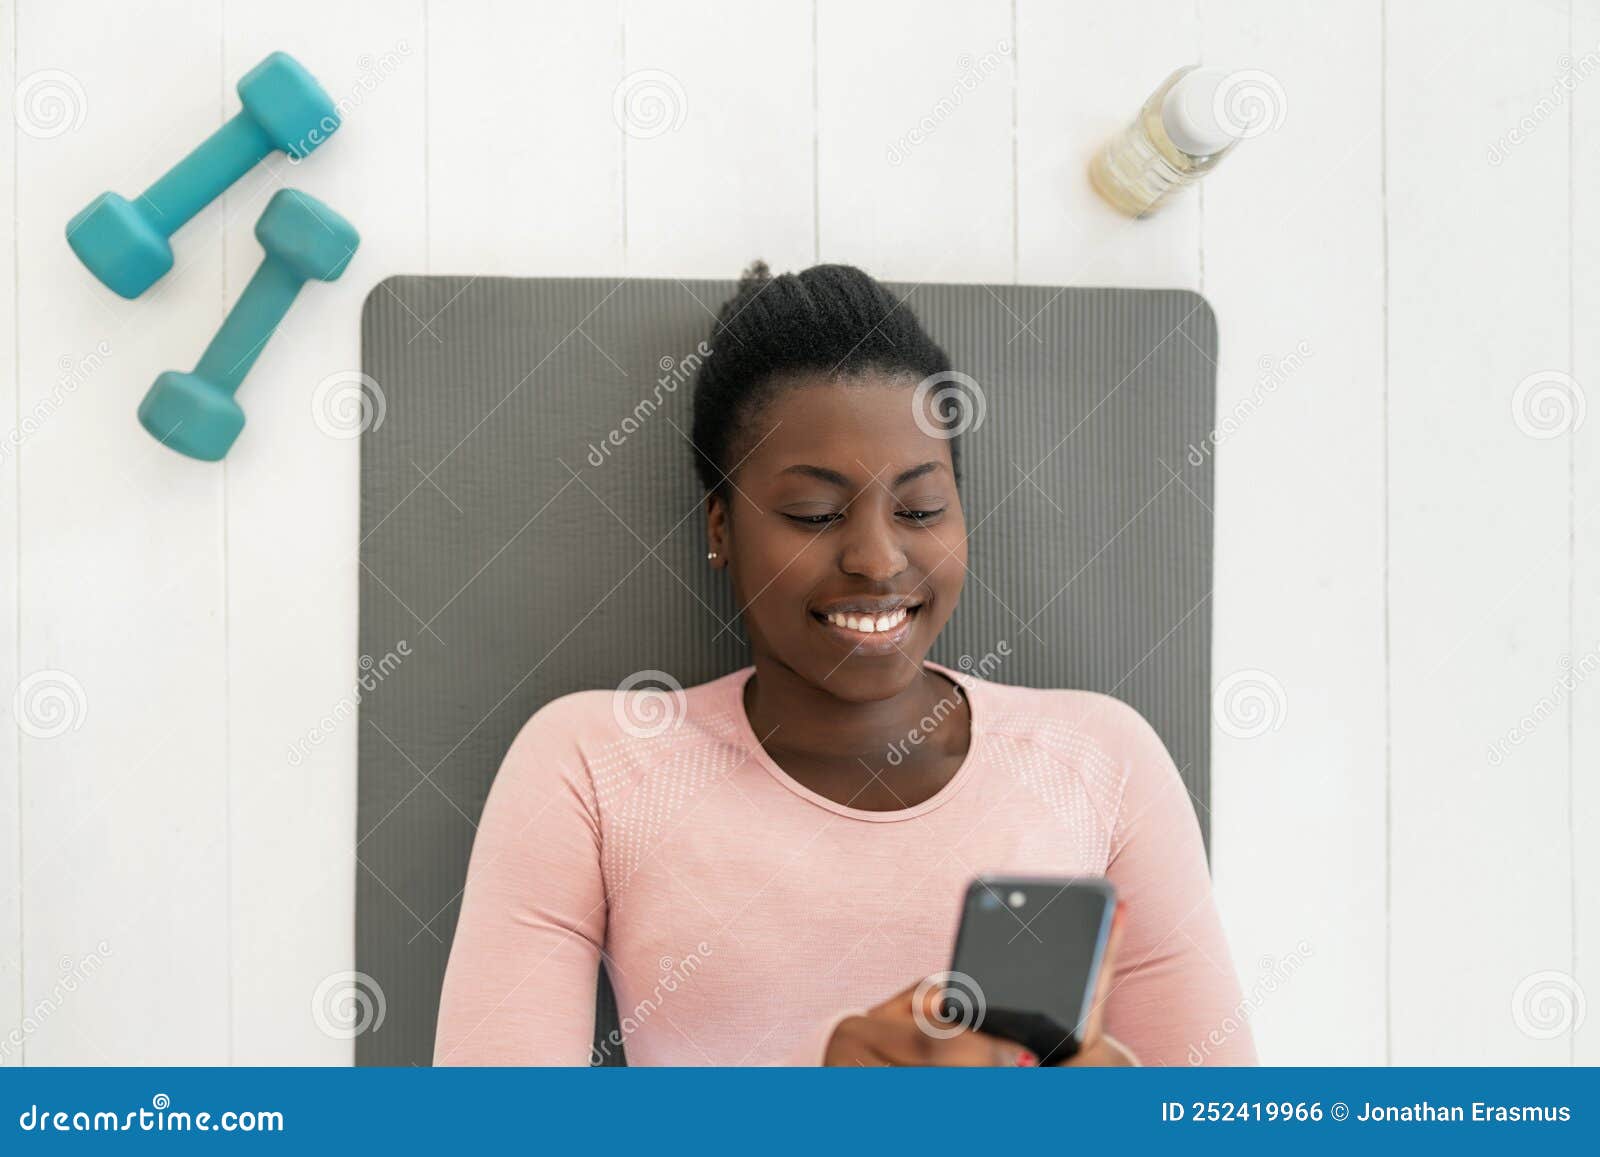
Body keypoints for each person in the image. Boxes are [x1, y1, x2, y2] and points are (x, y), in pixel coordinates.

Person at [433, 261, 1256, 1067]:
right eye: (815, 512)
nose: (876, 556)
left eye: (921, 508)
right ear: (720, 528)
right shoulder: (595, 765)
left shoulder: (1100, 760)